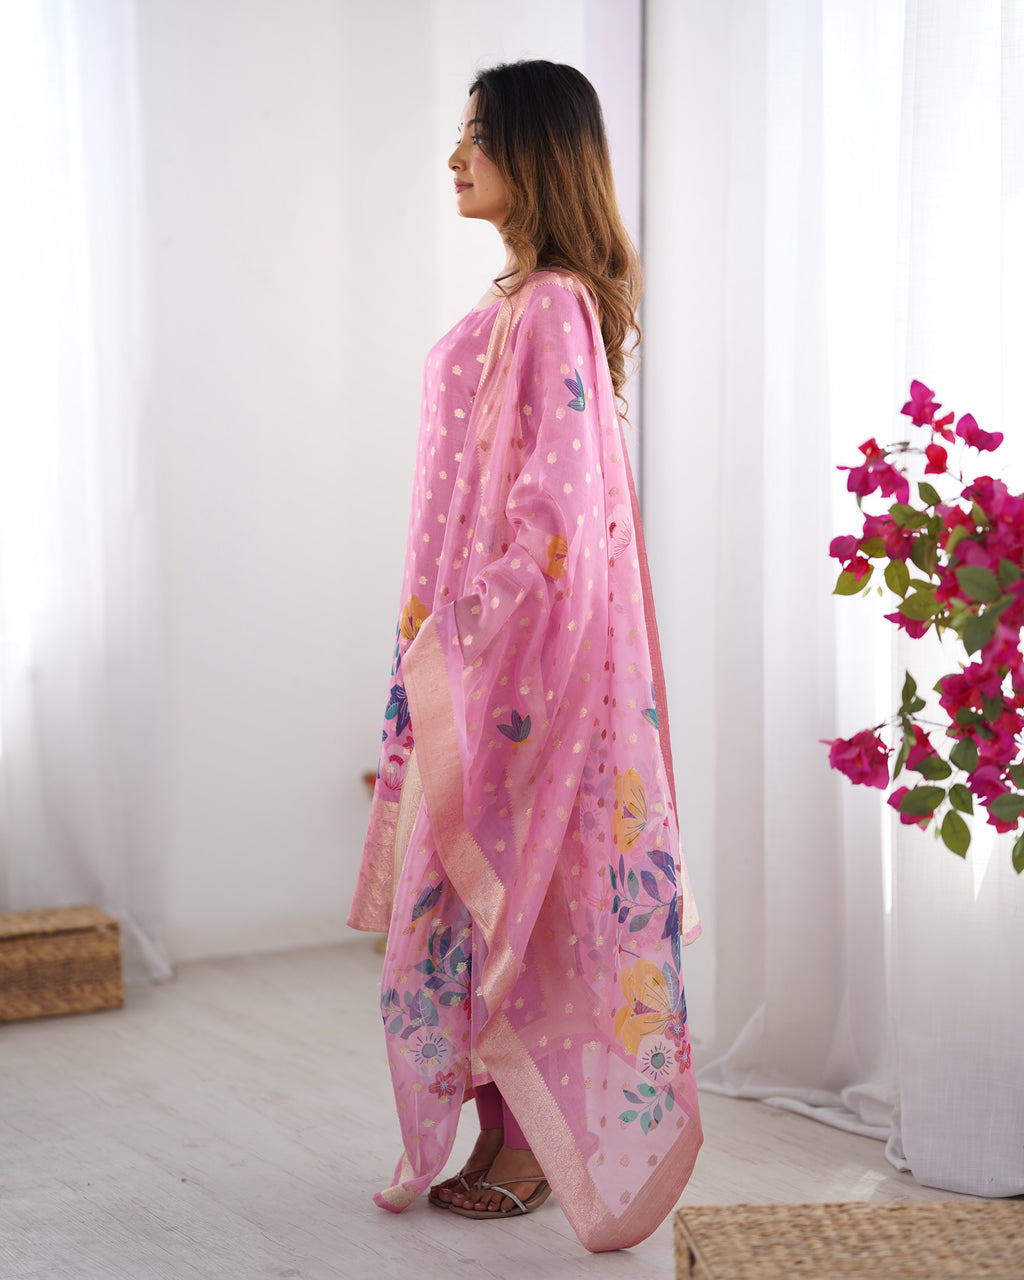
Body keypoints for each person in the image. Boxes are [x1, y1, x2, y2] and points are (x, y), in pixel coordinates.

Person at [347, 59, 701, 1253]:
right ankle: (512, 1131)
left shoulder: (551, 302)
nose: (455, 157)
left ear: (536, 152)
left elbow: (554, 516)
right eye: (457, 136)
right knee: (485, 888)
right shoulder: (520, 300)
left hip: (520, 660)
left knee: (523, 895)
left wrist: (464, 627)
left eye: (479, 138)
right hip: (482, 653)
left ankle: (523, 1147)